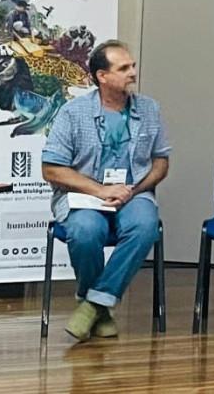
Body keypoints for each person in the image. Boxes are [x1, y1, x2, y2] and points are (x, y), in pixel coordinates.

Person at [41, 40, 171, 342]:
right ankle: (100, 308)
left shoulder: (149, 109)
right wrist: (100, 190)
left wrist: (133, 190)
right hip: (86, 195)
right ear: (102, 76)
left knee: (145, 225)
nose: (133, 73)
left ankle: (94, 303)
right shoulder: (73, 112)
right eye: (124, 68)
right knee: (85, 230)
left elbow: (161, 163)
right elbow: (51, 169)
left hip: (133, 193)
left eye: (133, 66)